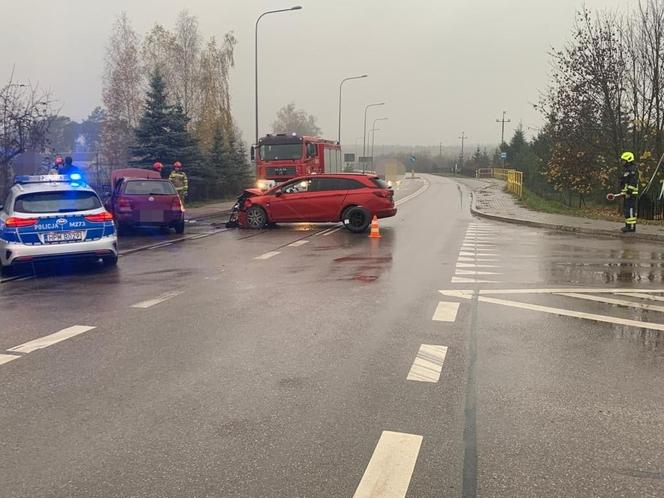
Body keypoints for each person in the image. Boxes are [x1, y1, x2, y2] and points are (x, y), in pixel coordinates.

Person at [619, 151, 638, 233]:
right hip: (627, 194)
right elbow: (625, 182)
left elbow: (632, 182)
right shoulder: (627, 170)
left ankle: (631, 227)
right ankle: (627, 226)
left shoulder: (632, 170)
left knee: (630, 210)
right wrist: (623, 192)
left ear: (628, 160)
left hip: (631, 194)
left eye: (624, 160)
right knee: (627, 210)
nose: (622, 162)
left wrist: (628, 193)